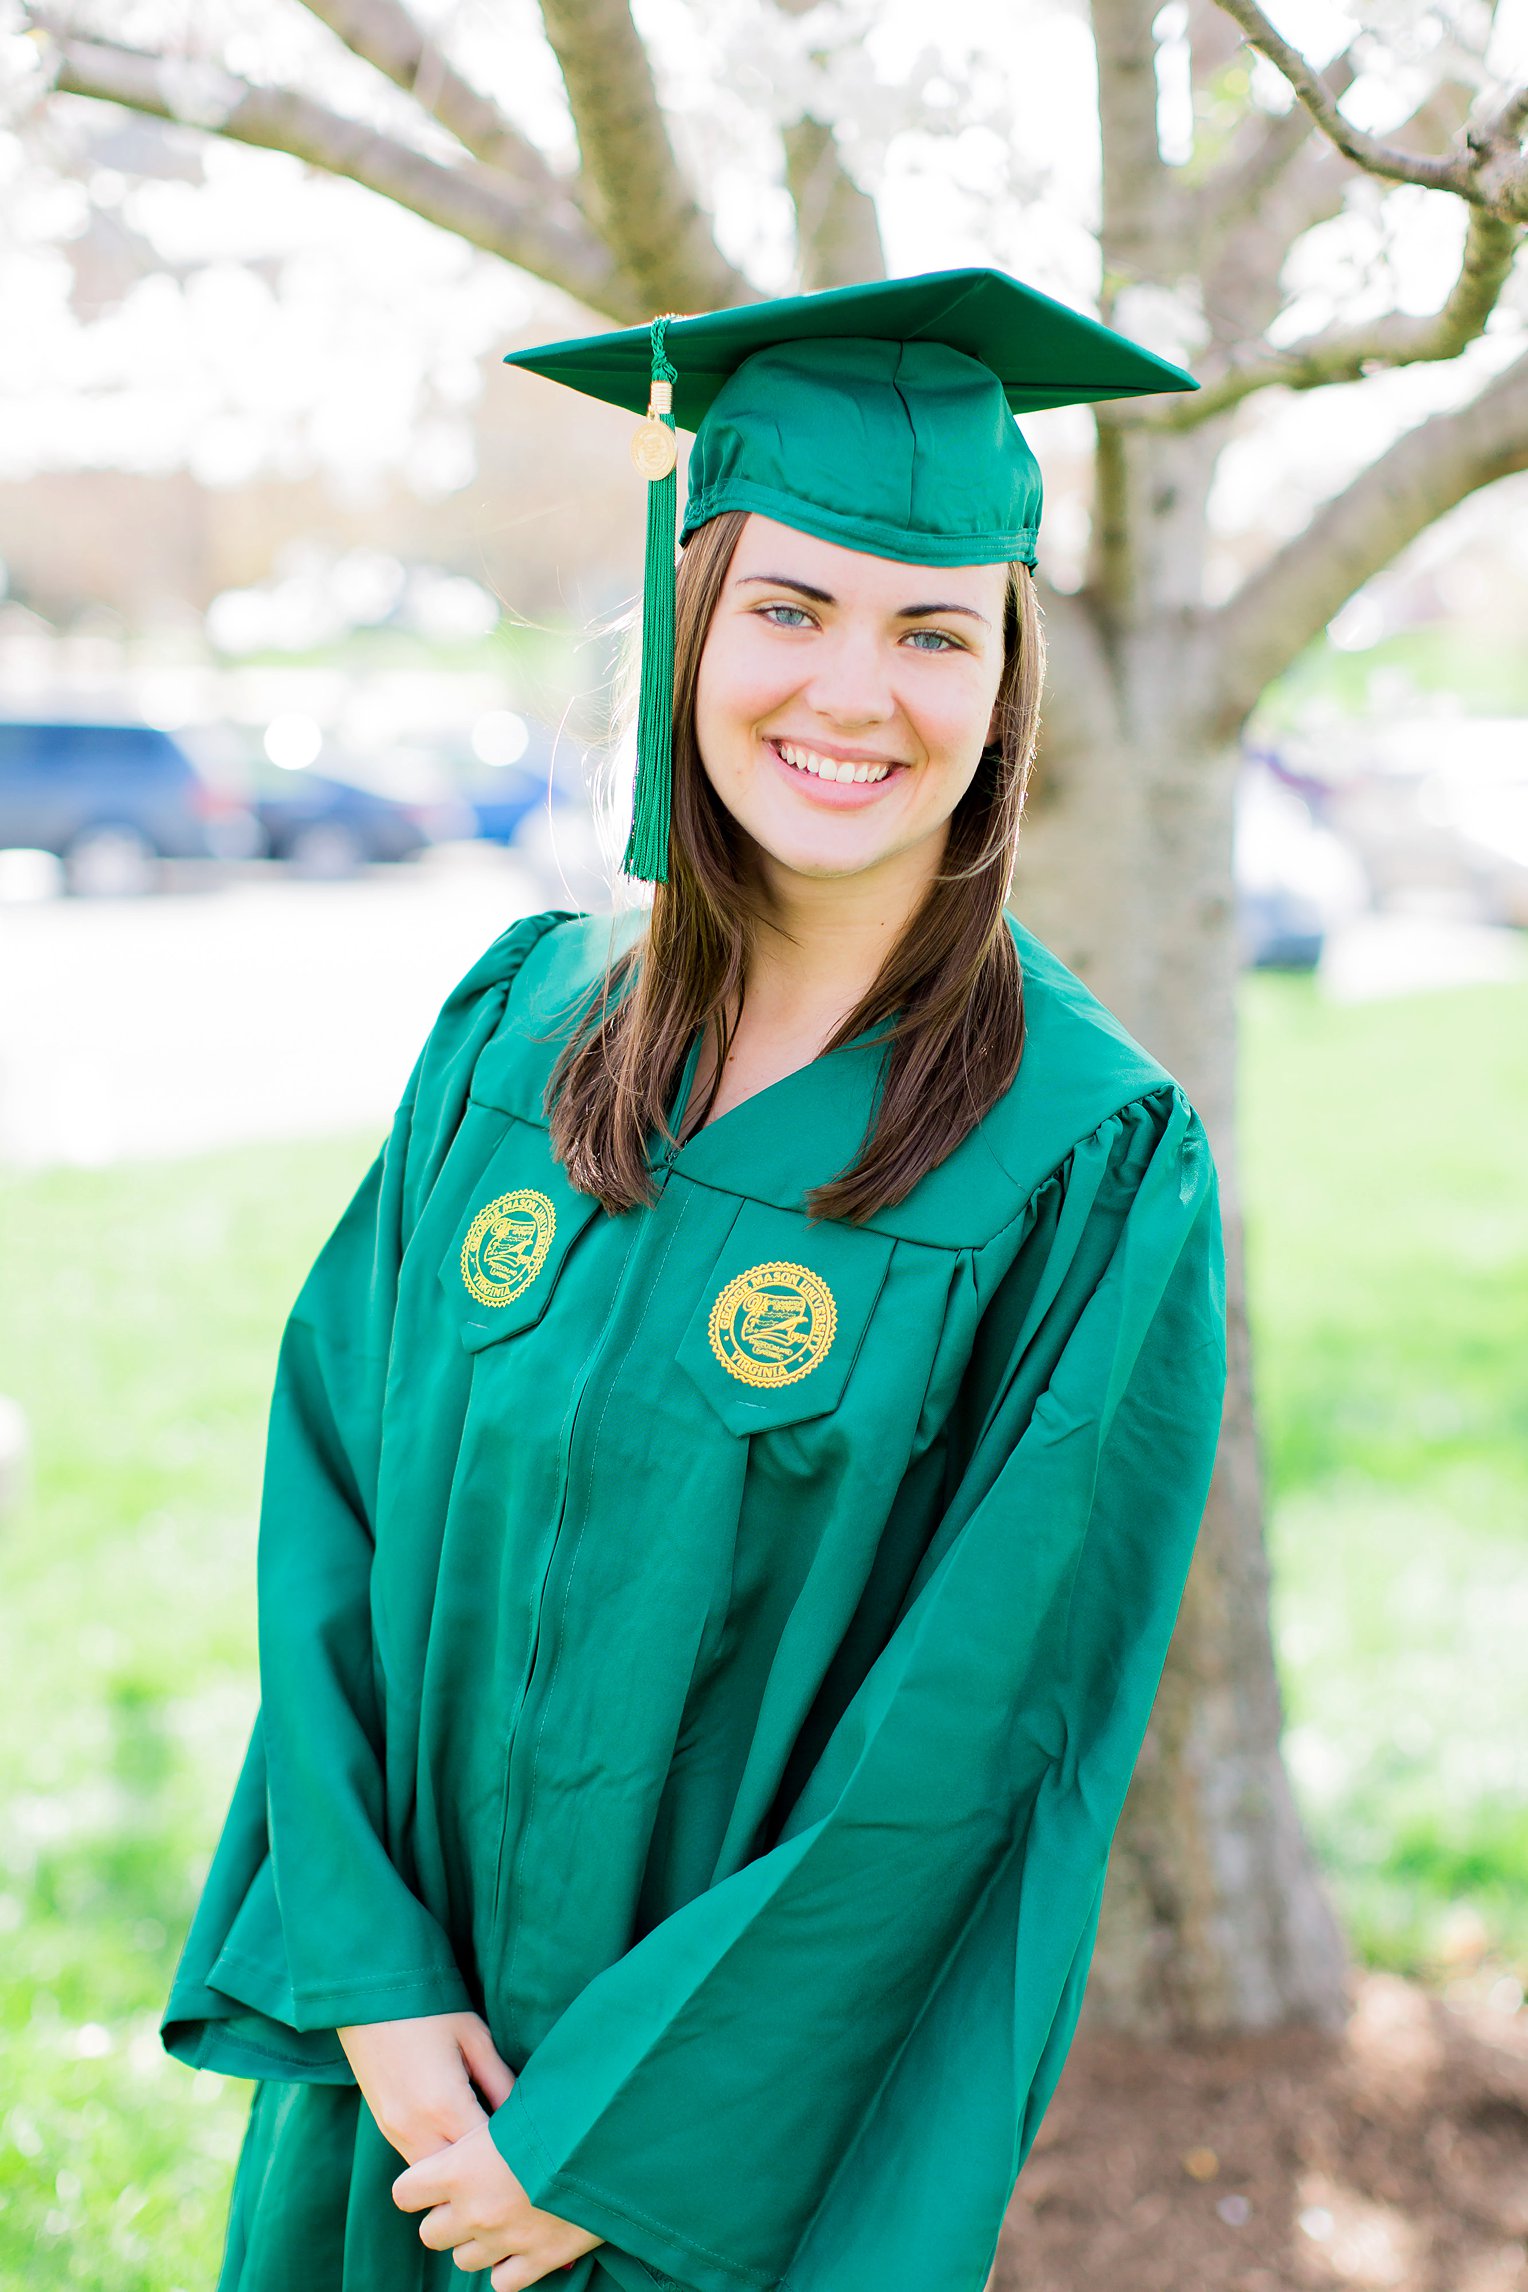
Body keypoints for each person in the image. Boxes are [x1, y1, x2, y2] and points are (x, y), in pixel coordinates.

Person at [162, 267, 1227, 2292]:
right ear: (688, 622)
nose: (853, 691)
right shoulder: (513, 1034)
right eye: (789, 609)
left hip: (717, 2177)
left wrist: (606, 2148)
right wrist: (373, 1989)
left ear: (1004, 685)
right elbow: (333, 1503)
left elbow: (974, 1744)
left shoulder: (1081, 1162)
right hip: (397, 2101)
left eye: (934, 629)